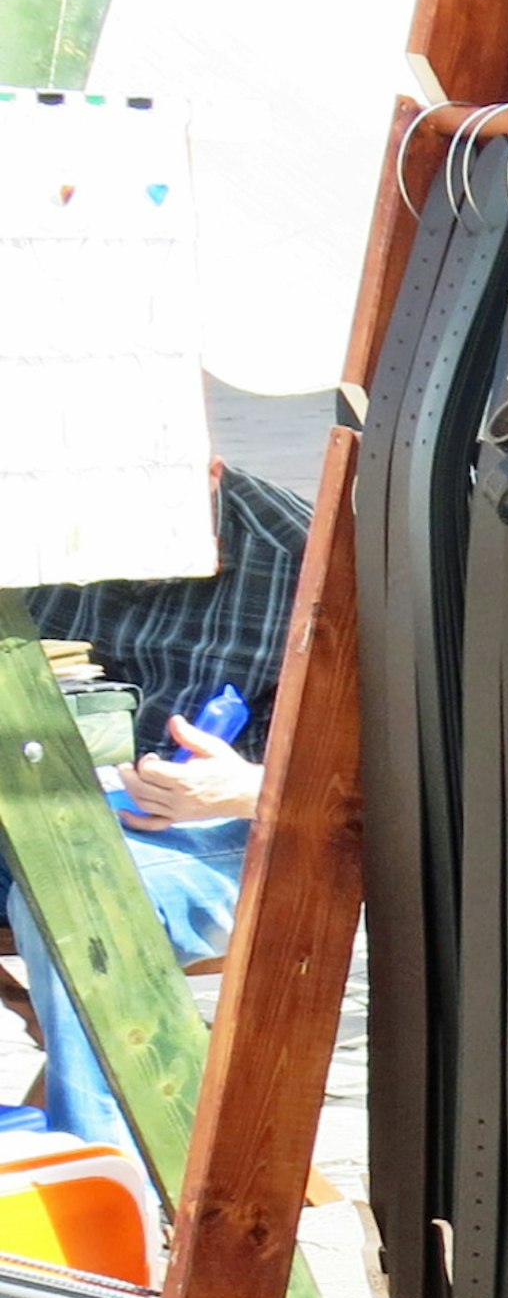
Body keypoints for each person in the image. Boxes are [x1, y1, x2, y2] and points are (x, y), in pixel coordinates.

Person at [5, 458, 305, 1163]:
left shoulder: (305, 559)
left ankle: (106, 1191)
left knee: (80, 898)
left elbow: (388, 774)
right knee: (61, 870)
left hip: (221, 831)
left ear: (202, 469)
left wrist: (248, 788)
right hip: (34, 807)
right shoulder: (34, 525)